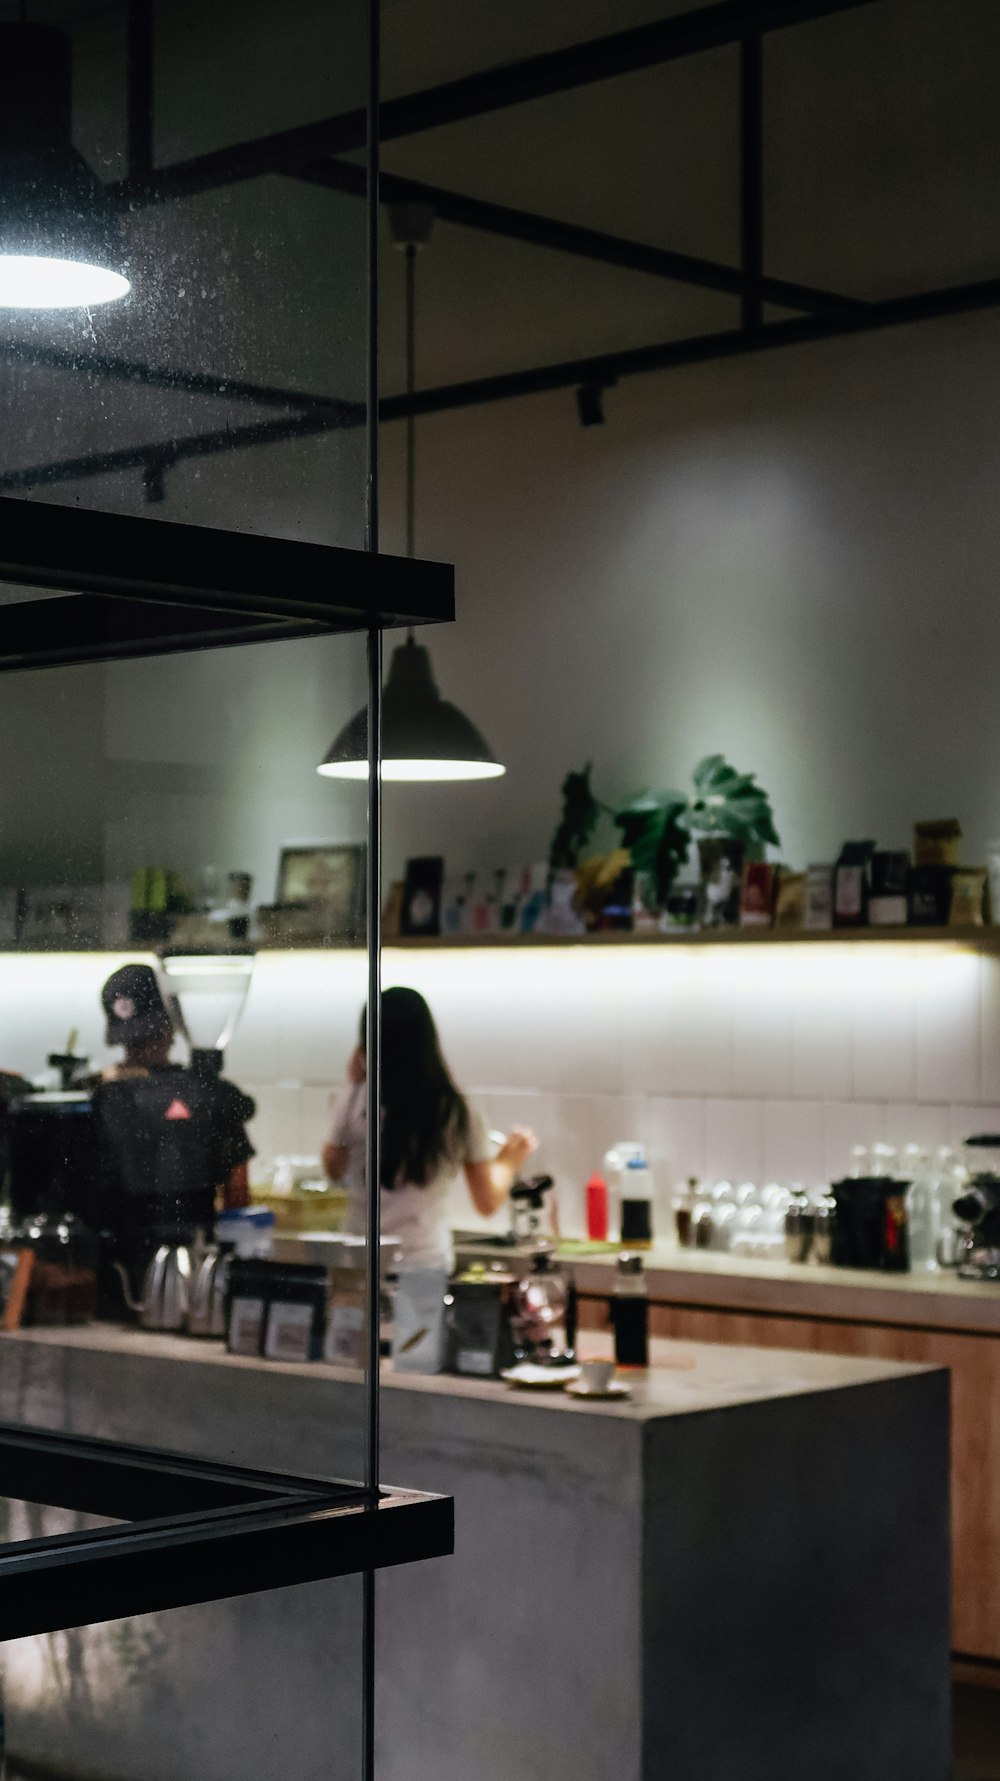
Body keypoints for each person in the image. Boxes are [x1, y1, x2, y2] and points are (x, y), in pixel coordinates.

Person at [323, 986, 537, 1271]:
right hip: (422, 1259)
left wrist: (354, 1083)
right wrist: (509, 1161)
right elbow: (486, 1201)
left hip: (360, 1259)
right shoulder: (454, 1109)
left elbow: (333, 1168)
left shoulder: (357, 1099)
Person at [93, 963, 255, 1289]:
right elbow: (238, 1189)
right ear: (171, 1025)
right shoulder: (202, 1093)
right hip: (190, 1263)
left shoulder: (102, 1097)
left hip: (120, 1269)